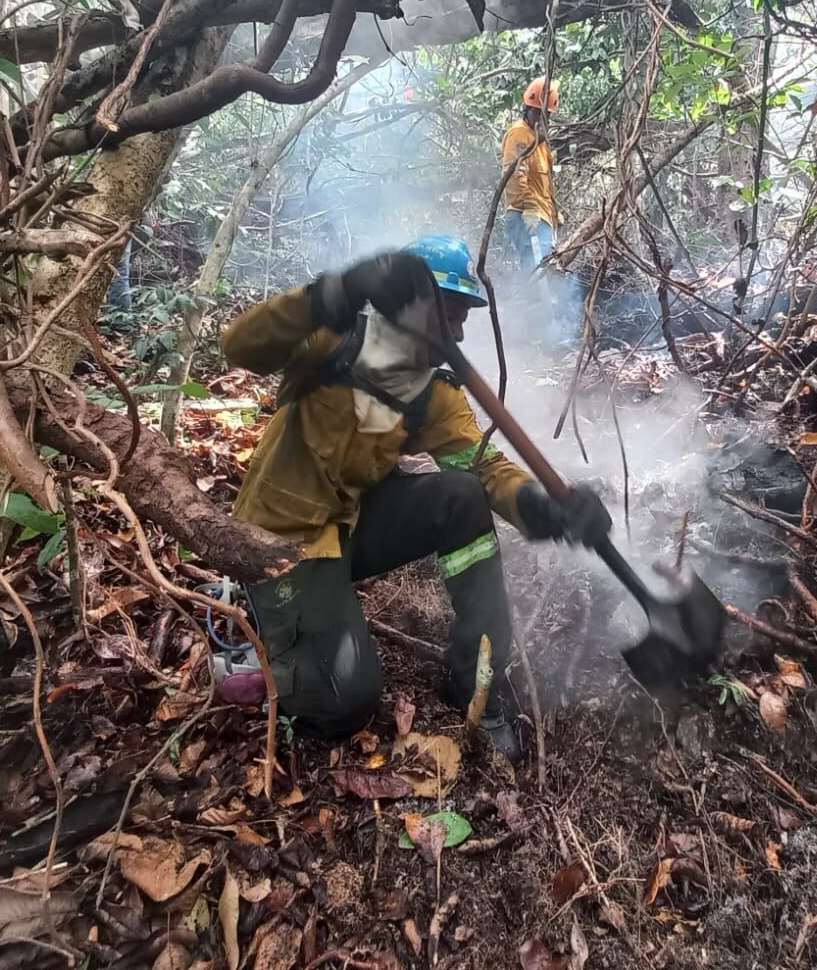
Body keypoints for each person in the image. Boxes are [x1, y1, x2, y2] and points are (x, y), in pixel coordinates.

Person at [217, 235, 612, 761]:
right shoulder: (333, 341)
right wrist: (332, 292)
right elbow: (238, 346)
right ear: (403, 307)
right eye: (448, 312)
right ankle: (253, 651)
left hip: (349, 530)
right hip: (278, 539)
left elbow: (484, 467)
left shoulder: (432, 392)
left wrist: (540, 506)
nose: (457, 330)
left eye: (463, 315)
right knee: (347, 701)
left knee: (461, 495)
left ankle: (475, 681)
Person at [501, 77, 559, 272]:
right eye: (543, 114)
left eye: (548, 116)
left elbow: (543, 184)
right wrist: (530, 208)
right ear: (532, 110)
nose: (546, 120)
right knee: (536, 276)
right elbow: (515, 176)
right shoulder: (519, 135)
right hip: (526, 217)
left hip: (540, 217)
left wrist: (554, 215)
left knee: (545, 275)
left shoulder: (538, 140)